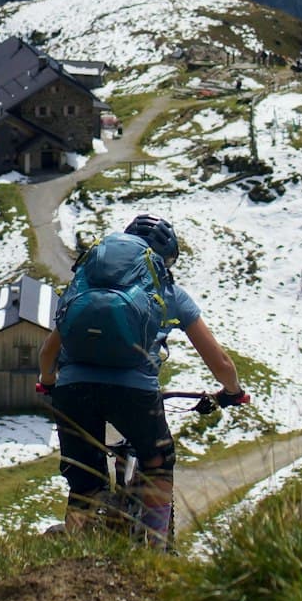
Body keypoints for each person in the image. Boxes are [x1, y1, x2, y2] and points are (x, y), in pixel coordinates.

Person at [38, 214, 247, 546]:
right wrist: (233, 392)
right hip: (135, 395)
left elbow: (48, 355)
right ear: (164, 260)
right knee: (158, 465)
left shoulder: (85, 285)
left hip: (73, 392)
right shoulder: (170, 294)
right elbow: (219, 361)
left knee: (84, 484)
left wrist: (49, 383)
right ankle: (156, 547)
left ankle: (73, 557)